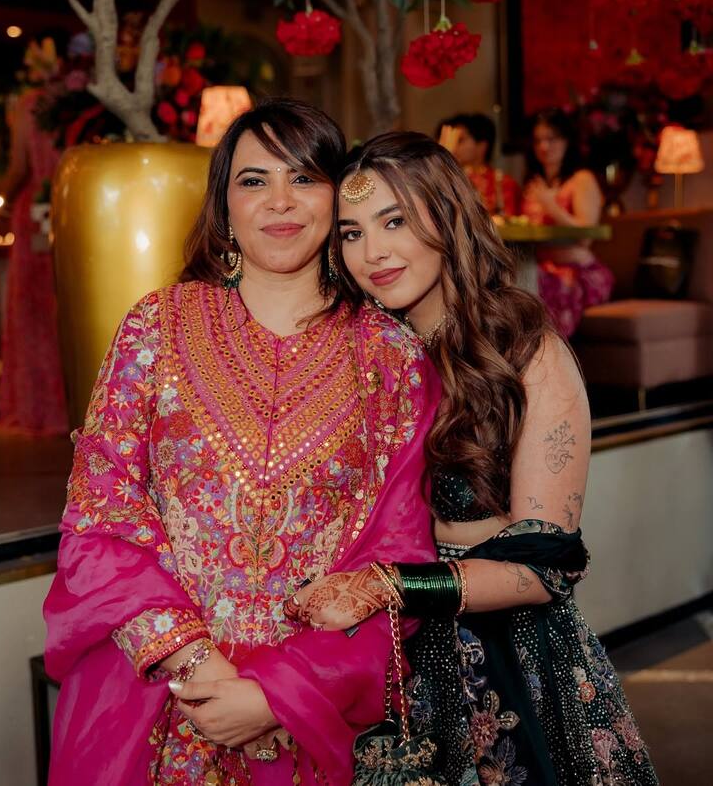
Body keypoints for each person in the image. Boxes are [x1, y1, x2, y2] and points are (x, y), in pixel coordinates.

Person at [43, 100, 440, 785]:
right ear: (223, 205)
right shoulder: (155, 328)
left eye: (304, 178)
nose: (280, 202)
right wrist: (199, 666)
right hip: (155, 701)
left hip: (306, 709)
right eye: (254, 180)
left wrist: (270, 694)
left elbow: (395, 557)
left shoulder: (393, 360)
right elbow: (99, 516)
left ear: (336, 197)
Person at [287, 132, 658, 786]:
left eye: (394, 220)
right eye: (350, 233)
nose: (372, 252)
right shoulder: (354, 354)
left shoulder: (524, 351)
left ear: (447, 213)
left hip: (507, 662)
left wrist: (389, 586)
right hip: (378, 659)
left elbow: (548, 566)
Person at [0, 38, 68, 433]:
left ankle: (37, 408)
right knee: (62, 309)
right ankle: (66, 407)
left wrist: (2, 209)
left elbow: (20, 165)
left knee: (29, 312)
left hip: (31, 212)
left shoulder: (30, 104)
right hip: (70, 207)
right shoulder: (77, 100)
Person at [522, 109, 614, 337]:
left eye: (551, 139)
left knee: (532, 288)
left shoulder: (581, 180)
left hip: (580, 272)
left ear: (567, 141)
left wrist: (550, 206)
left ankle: (547, 362)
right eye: (538, 140)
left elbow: (585, 235)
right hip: (540, 267)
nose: (544, 147)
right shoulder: (534, 184)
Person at [436, 112, 520, 217]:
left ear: (481, 146)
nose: (453, 146)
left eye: (460, 140)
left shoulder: (503, 183)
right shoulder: (449, 177)